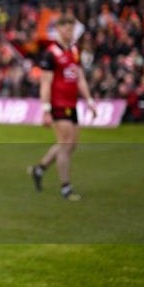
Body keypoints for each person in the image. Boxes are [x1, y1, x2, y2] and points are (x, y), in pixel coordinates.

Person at [28, 13, 97, 201]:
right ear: (58, 29)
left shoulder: (74, 50)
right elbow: (45, 83)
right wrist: (46, 110)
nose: (70, 32)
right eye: (66, 28)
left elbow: (80, 77)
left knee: (70, 144)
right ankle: (66, 187)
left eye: (72, 29)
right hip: (58, 105)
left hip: (72, 104)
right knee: (66, 145)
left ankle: (39, 169)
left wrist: (89, 101)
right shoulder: (51, 53)